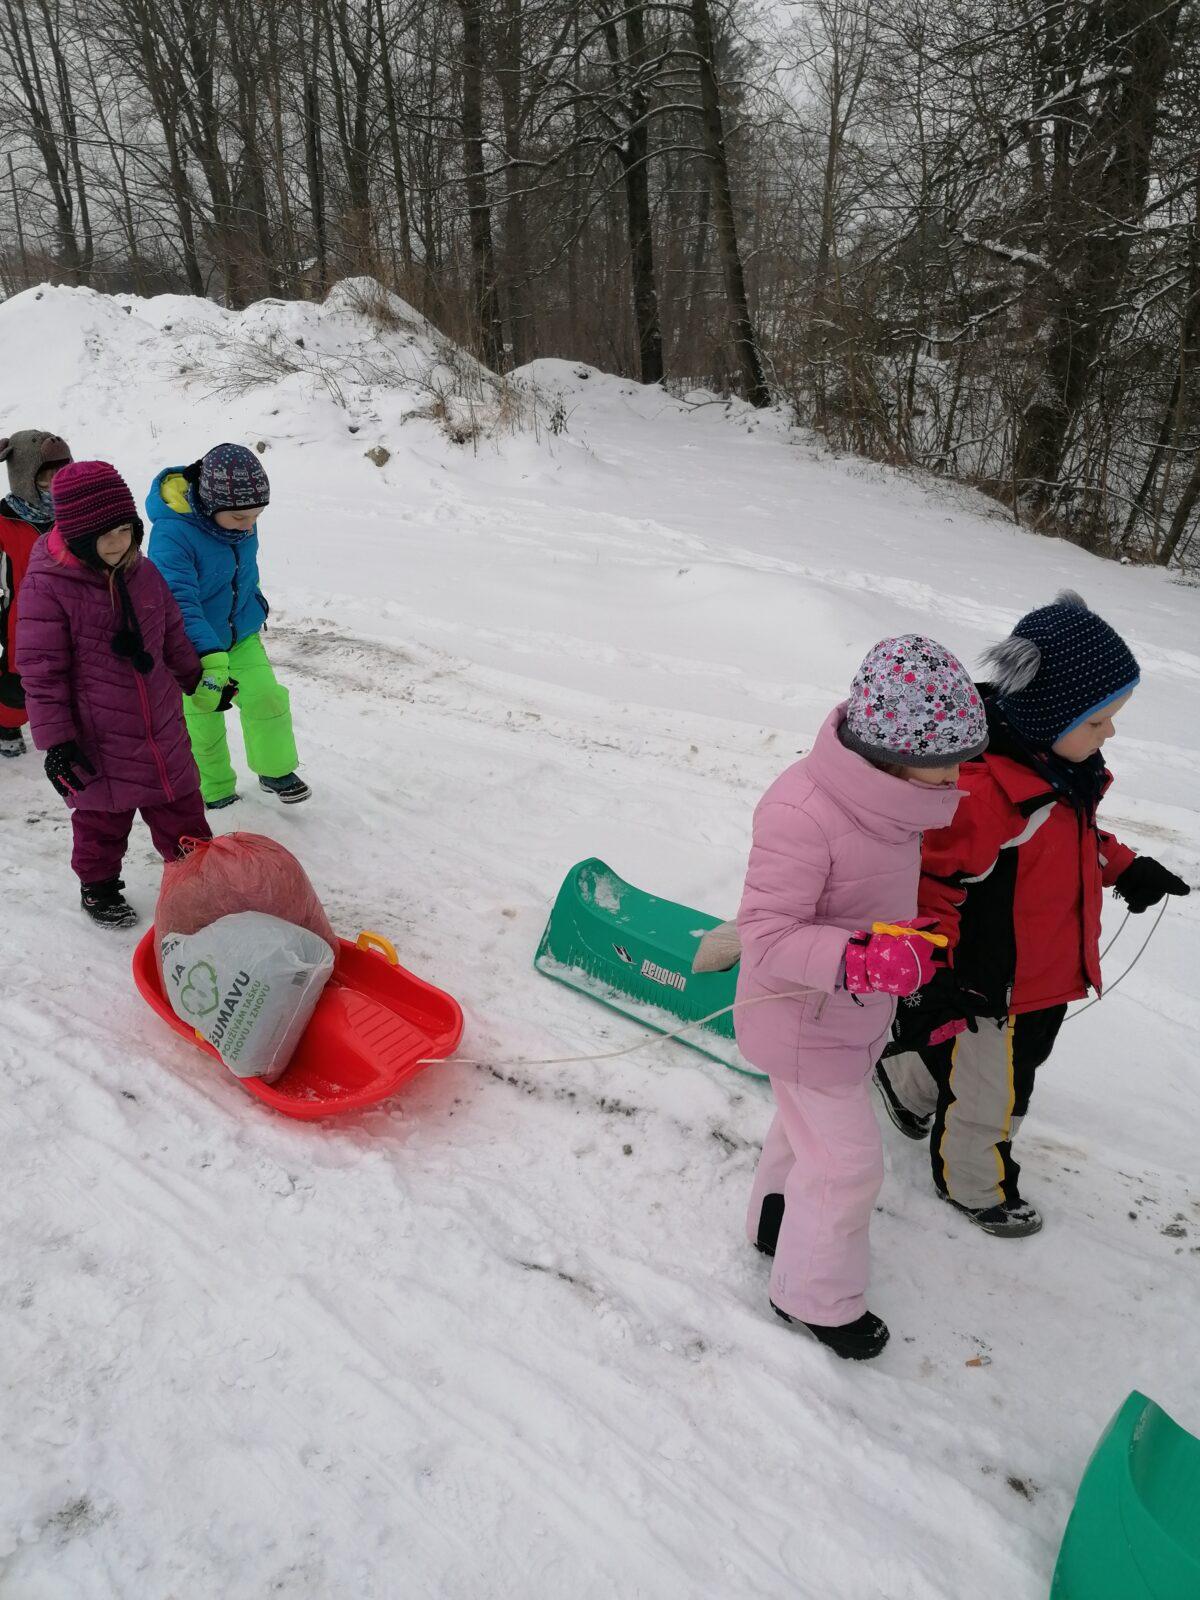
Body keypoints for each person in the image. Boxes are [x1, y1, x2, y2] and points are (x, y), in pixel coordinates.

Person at [875, 593, 1190, 1237]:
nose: (1110, 734)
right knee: (997, 1094)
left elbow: (1076, 842)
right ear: (1051, 712)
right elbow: (934, 881)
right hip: (989, 980)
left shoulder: (1060, 770)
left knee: (1000, 1065)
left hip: (1048, 973)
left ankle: (904, 1086)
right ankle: (972, 1182)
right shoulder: (988, 794)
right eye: (1099, 721)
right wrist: (930, 967)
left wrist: (1124, 867)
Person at [737, 637, 988, 1359]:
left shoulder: (891, 801)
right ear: (893, 748)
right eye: (947, 757)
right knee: (846, 1164)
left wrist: (904, 947)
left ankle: (775, 1225)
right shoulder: (805, 812)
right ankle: (813, 1297)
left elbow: (863, 895)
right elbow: (766, 934)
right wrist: (863, 960)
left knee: (800, 1135)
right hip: (800, 1018)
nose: (958, 773)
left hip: (842, 1013)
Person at [17, 460, 212, 928]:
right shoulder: (48, 586)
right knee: (101, 823)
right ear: (81, 537)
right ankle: (99, 886)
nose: (120, 543)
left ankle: (199, 880)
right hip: (98, 738)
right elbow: (42, 672)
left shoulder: (143, 573)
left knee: (182, 808)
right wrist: (57, 742)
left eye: (126, 530)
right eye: (106, 536)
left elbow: (171, 635)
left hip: (160, 727)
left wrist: (196, 681)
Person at [146, 443, 309, 809]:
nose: (249, 525)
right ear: (209, 504)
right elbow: (178, 602)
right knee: (203, 717)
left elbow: (241, 574)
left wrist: (255, 603)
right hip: (192, 648)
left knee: (266, 696)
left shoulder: (239, 522)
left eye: (257, 515)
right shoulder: (172, 535)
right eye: (240, 518)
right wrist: (206, 653)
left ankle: (274, 769)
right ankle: (214, 788)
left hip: (241, 636)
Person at [0, 430, 72, 757]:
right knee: (18, 682)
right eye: (46, 478)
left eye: (64, 474)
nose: (57, 485)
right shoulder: (4, 522)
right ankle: (7, 723)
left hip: (71, 612)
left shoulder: (74, 514)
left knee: (70, 673)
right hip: (19, 618)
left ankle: (65, 727)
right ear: (25, 479)